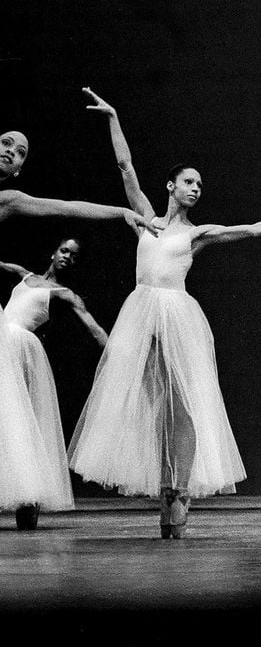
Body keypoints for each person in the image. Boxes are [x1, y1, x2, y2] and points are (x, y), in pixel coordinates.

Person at [68, 88, 261, 539]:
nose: (196, 188)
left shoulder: (197, 234)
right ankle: (165, 487)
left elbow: (249, 230)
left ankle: (180, 489)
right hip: (140, 313)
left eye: (200, 184)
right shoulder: (146, 219)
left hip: (176, 315)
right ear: (171, 186)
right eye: (189, 181)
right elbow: (125, 168)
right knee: (148, 405)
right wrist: (114, 116)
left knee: (184, 407)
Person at [1, 128, 157, 527]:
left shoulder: (9, 201)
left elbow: (66, 207)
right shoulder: (24, 274)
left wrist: (119, 212)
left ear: (19, 170)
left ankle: (24, 493)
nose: (11, 153)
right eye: (6, 144)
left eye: (19, 152)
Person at [0, 236, 108, 529]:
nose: (67, 258)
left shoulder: (64, 293)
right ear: (53, 252)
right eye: (64, 251)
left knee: (21, 418)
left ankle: (28, 499)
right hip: (2, 339)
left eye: (73, 257)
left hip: (21, 346)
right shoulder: (25, 276)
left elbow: (94, 328)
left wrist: (119, 357)